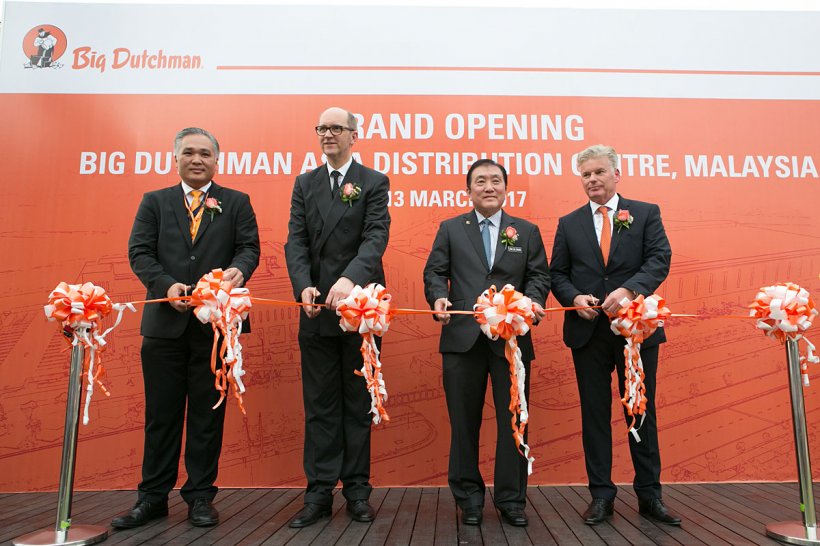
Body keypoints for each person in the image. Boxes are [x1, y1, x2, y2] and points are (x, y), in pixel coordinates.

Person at [113, 127, 260, 529]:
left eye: (205, 154)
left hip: (216, 329)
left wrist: (238, 270)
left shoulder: (237, 202)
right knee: (161, 415)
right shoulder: (154, 202)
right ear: (175, 158)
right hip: (164, 328)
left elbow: (250, 248)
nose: (197, 160)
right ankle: (152, 498)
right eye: (189, 153)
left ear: (217, 160)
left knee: (207, 416)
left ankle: (200, 497)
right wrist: (166, 285)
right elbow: (138, 252)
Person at [550, 144, 680, 526]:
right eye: (585, 174)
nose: (592, 179)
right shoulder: (569, 222)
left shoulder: (644, 213)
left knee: (640, 412)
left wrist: (629, 290)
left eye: (598, 172)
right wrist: (574, 297)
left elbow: (660, 258)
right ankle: (601, 496)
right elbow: (558, 273)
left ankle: (649, 496)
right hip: (586, 333)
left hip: (635, 332)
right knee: (594, 416)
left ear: (616, 174)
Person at [423, 159, 550, 527]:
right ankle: (470, 498)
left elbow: (539, 275)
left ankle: (511, 500)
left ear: (506, 188)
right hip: (462, 340)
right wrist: (437, 297)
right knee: (463, 423)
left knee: (515, 420)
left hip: (512, 340)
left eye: (496, 180)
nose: (489, 186)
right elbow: (434, 271)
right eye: (481, 181)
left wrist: (536, 301)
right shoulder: (450, 228)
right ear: (469, 190)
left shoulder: (525, 231)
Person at [284, 107, 391, 527]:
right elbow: (296, 240)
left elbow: (375, 237)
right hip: (315, 309)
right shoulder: (305, 183)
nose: (327, 134)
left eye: (335, 128)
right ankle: (318, 494)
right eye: (321, 128)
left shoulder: (373, 182)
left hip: (359, 308)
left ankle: (358, 492)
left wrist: (349, 280)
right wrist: (303, 284)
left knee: (357, 403)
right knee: (319, 405)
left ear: (353, 136)